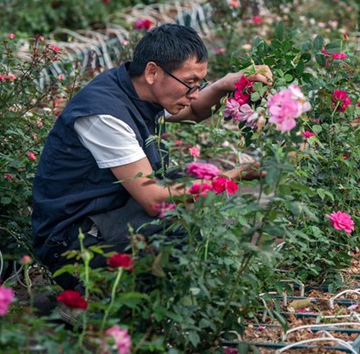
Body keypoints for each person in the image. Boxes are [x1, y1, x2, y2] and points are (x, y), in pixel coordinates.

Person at [32, 23, 272, 287]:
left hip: (109, 213)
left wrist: (226, 84)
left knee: (192, 186)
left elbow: (193, 112)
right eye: (189, 83)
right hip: (72, 244)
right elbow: (154, 202)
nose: (194, 94)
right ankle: (91, 301)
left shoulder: (137, 89)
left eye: (199, 84)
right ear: (152, 72)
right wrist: (231, 175)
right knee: (190, 223)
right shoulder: (105, 115)